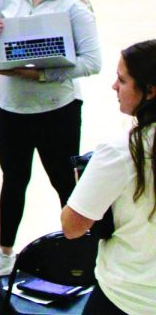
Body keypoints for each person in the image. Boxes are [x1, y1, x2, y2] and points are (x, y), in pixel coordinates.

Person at [0, 0, 101, 274]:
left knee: (64, 183)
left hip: (56, 110)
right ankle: (5, 255)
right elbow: (3, 45)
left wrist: (44, 75)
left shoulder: (75, 6)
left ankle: (81, 255)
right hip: (10, 106)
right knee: (13, 179)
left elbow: (92, 62)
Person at [62, 40, 156, 315]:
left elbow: (72, 226)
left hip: (126, 298)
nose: (114, 86)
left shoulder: (121, 151)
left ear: (150, 91)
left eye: (122, 80)